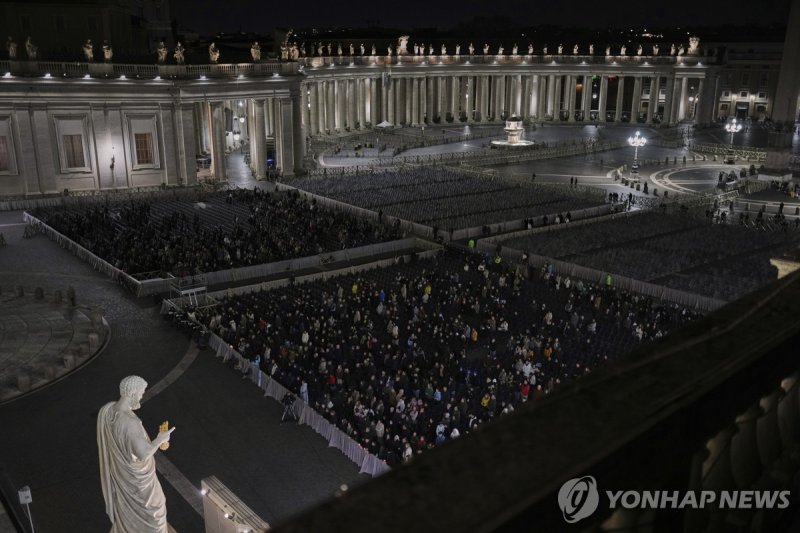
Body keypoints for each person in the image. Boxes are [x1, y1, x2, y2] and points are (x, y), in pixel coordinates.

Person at [97, 376, 174, 533]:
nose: (141, 396)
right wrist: (160, 439)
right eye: (141, 392)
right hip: (139, 482)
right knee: (156, 510)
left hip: (123, 475)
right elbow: (143, 454)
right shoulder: (131, 423)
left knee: (129, 511)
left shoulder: (109, 411)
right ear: (132, 393)